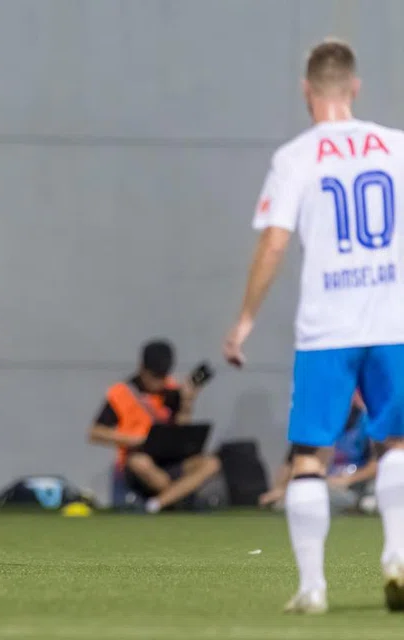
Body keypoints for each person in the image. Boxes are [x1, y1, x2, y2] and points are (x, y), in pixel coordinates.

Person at [223, 39, 404, 613]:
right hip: (393, 322)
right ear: (355, 87)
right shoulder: (397, 148)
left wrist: (245, 320)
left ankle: (313, 587)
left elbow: (274, 243)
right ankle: (398, 555)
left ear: (307, 90)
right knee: (398, 441)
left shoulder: (298, 156)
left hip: (328, 330)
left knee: (308, 456)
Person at [89, 339, 221, 513]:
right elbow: (95, 432)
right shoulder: (121, 393)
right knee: (141, 463)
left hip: (170, 460)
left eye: (163, 376)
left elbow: (181, 428)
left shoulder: (172, 390)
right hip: (138, 460)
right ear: (142, 368)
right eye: (154, 376)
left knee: (211, 463)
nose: (159, 382)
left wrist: (187, 402)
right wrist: (136, 439)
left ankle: (157, 504)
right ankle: (178, 499)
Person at [259, 392, 377, 513]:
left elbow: (376, 465)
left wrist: (347, 480)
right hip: (323, 483)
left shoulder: (368, 421)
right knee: (292, 498)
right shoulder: (316, 424)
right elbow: (293, 461)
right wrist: (279, 489)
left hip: (354, 486)